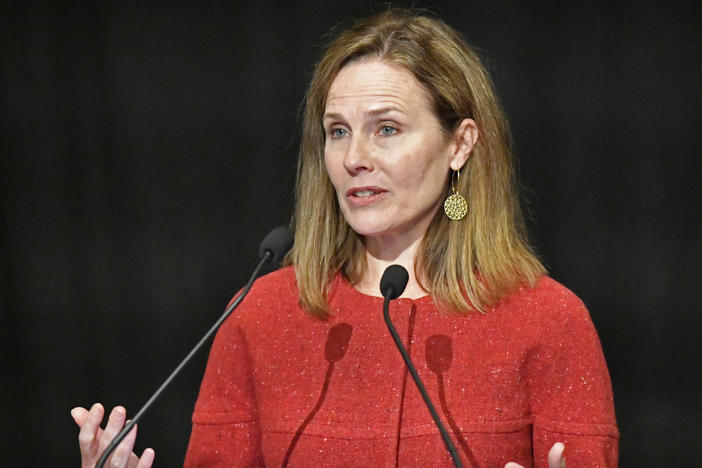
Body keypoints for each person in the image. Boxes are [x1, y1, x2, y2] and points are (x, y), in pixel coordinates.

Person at [72, 9, 618, 467]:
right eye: (338, 131)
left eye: (387, 128)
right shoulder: (259, 316)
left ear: (461, 144)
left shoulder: (549, 322)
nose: (355, 158)